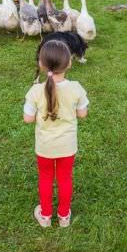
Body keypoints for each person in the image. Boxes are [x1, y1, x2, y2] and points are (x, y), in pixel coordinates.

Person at [23, 40, 89, 228]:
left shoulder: (35, 91)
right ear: (69, 63)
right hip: (67, 146)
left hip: (44, 147)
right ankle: (64, 216)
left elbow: (27, 118)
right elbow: (83, 114)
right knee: (65, 178)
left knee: (45, 177)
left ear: (42, 65)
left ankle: (45, 216)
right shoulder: (76, 88)